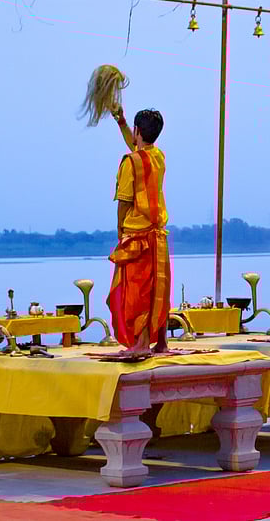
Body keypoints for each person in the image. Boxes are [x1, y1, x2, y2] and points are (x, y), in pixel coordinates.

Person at [107, 108, 171, 356]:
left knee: (138, 291)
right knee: (159, 288)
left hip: (137, 235)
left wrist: (121, 233)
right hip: (158, 234)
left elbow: (124, 201)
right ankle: (162, 342)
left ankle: (142, 343)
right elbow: (138, 148)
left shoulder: (130, 162)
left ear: (137, 131)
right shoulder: (158, 157)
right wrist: (121, 122)